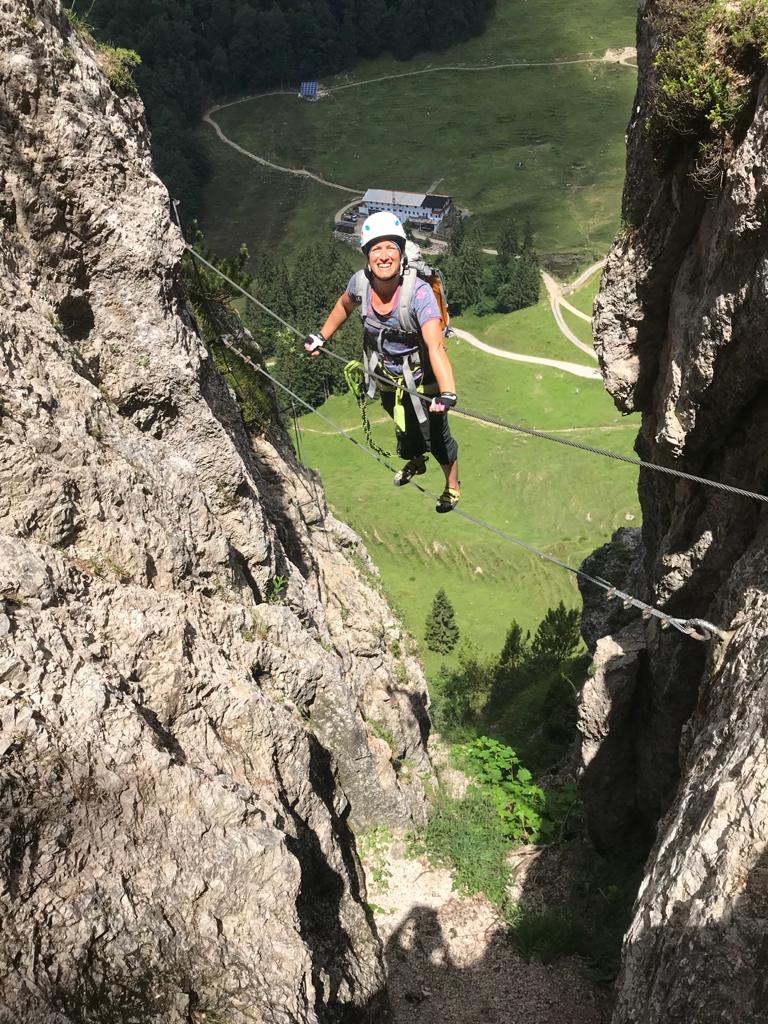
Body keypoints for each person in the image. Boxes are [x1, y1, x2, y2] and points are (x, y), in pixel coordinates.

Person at [304, 211, 460, 513]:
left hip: (424, 377)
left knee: (437, 435)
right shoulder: (359, 284)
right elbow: (343, 305)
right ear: (367, 255)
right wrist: (322, 336)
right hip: (386, 374)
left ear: (401, 253)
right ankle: (417, 462)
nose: (384, 255)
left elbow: (435, 344)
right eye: (377, 248)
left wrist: (448, 392)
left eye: (391, 248)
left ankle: (452, 486)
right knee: (402, 422)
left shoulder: (419, 293)